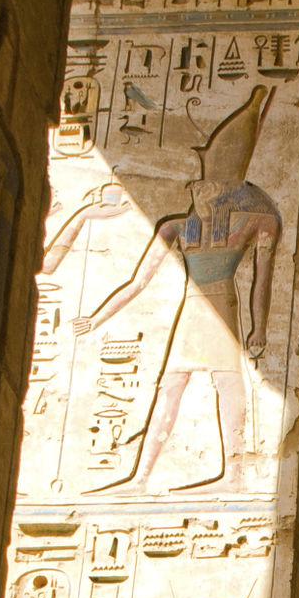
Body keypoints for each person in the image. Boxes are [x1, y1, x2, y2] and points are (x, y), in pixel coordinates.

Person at [72, 87, 280, 491]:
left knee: (227, 383)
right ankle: (141, 477)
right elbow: (137, 282)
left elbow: (262, 280)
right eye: (199, 188)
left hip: (222, 306)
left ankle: (234, 475)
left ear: (229, 195)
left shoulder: (252, 223)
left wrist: (259, 329)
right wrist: (96, 318)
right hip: (192, 311)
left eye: (210, 189)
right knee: (171, 387)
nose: (201, 194)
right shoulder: (176, 227)